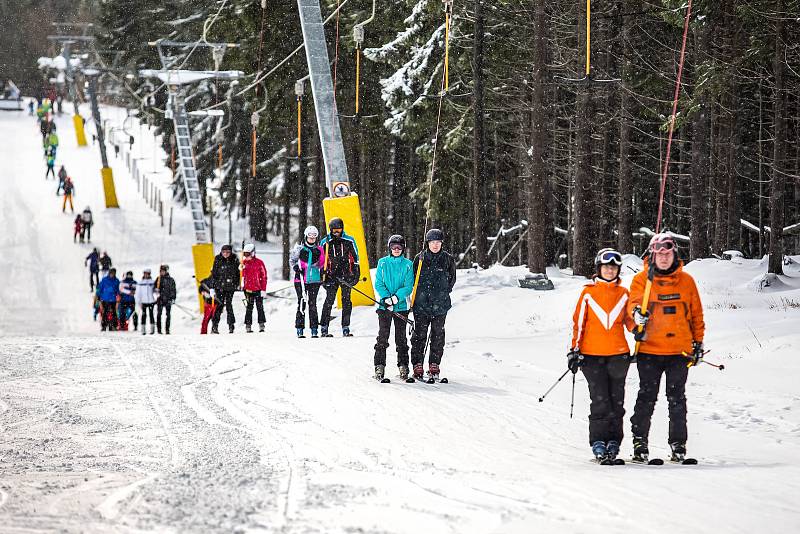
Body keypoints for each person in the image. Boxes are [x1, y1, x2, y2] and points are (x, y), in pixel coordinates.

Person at [628, 233, 706, 464]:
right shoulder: (642, 280)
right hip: (650, 351)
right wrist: (636, 317)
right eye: (659, 253)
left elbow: (696, 314)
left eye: (667, 253)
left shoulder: (687, 281)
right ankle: (640, 443)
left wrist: (698, 343)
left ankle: (678, 445)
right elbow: (632, 305)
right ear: (652, 255)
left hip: (679, 352)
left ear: (674, 254)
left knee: (677, 399)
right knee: (646, 398)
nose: (663, 257)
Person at [568, 248, 634, 463]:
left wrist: (640, 325)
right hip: (591, 356)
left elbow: (630, 322)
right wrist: (574, 351)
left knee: (617, 401)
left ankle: (614, 441)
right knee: (600, 401)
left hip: (619, 355)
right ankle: (598, 441)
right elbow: (579, 323)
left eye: (613, 267)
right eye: (606, 266)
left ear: (618, 270)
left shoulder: (624, 294)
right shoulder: (588, 293)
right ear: (599, 268)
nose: (609, 270)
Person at [409, 229, 456, 382]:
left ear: (441, 243)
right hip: (421, 305)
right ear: (427, 243)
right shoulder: (420, 258)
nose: (435, 245)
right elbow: (413, 278)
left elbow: (452, 280)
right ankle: (417, 364)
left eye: (438, 242)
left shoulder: (448, 259)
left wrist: (442, 292)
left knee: (437, 335)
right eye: (432, 242)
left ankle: (434, 364)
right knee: (419, 335)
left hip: (440, 305)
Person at [373, 235, 415, 382]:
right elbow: (378, 283)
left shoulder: (408, 264)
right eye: (393, 247)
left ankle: (403, 367)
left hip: (401, 307)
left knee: (401, 338)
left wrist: (396, 298)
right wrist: (387, 299)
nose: (396, 250)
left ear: (403, 248)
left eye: (399, 247)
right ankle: (379, 366)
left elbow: (408, 286)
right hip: (384, 306)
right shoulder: (382, 263)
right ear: (390, 248)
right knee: (383, 337)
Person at [319, 218, 361, 337]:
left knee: (346, 301)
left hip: (346, 275)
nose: (336, 232)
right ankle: (324, 327)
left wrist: (356, 273)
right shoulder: (325, 242)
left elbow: (356, 258)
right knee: (329, 300)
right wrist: (323, 276)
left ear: (342, 229)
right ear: (330, 230)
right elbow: (321, 261)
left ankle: (345, 326)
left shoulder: (349, 240)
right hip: (331, 276)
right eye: (334, 230)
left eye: (339, 230)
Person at [289, 225, 325, 338]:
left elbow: (322, 263)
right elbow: (292, 260)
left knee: (312, 304)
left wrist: (321, 270)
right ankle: (300, 328)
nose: (312, 239)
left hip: (314, 280)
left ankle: (314, 329)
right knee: (301, 302)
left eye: (314, 237)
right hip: (300, 280)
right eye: (310, 237)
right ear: (306, 236)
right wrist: (295, 267)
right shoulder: (299, 248)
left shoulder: (319, 250)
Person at [210, 244, 240, 334]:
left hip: (230, 287)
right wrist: (212, 287)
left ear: (230, 252)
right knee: (219, 306)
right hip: (220, 287)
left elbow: (237, 274)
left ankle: (231, 326)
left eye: (228, 252)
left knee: (229, 306)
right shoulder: (218, 259)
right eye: (224, 252)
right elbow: (214, 274)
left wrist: (237, 284)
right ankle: (214, 326)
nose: (225, 254)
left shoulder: (234, 259)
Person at [241, 243, 268, 333]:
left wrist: (263, 289)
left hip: (258, 289)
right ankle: (248, 325)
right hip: (248, 290)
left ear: (252, 253)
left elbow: (264, 277)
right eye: (245, 254)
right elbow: (242, 276)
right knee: (249, 307)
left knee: (260, 307)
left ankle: (261, 324)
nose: (246, 256)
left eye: (248, 254)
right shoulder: (243, 263)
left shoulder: (259, 263)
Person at [154, 264, 177, 335]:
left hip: (168, 300)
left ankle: (167, 330)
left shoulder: (171, 280)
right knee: (159, 315)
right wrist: (156, 292)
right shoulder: (158, 279)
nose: (162, 272)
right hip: (160, 300)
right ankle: (159, 330)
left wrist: (173, 298)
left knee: (168, 315)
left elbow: (173, 290)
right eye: (161, 271)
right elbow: (154, 289)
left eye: (163, 271)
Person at [136, 268, 157, 335]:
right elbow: (138, 293)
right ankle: (143, 329)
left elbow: (155, 291)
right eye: (145, 273)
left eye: (148, 274)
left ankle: (152, 329)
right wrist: (139, 302)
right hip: (143, 302)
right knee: (144, 315)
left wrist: (155, 298)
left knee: (151, 315)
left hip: (151, 301)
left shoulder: (153, 282)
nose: (146, 275)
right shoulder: (140, 283)